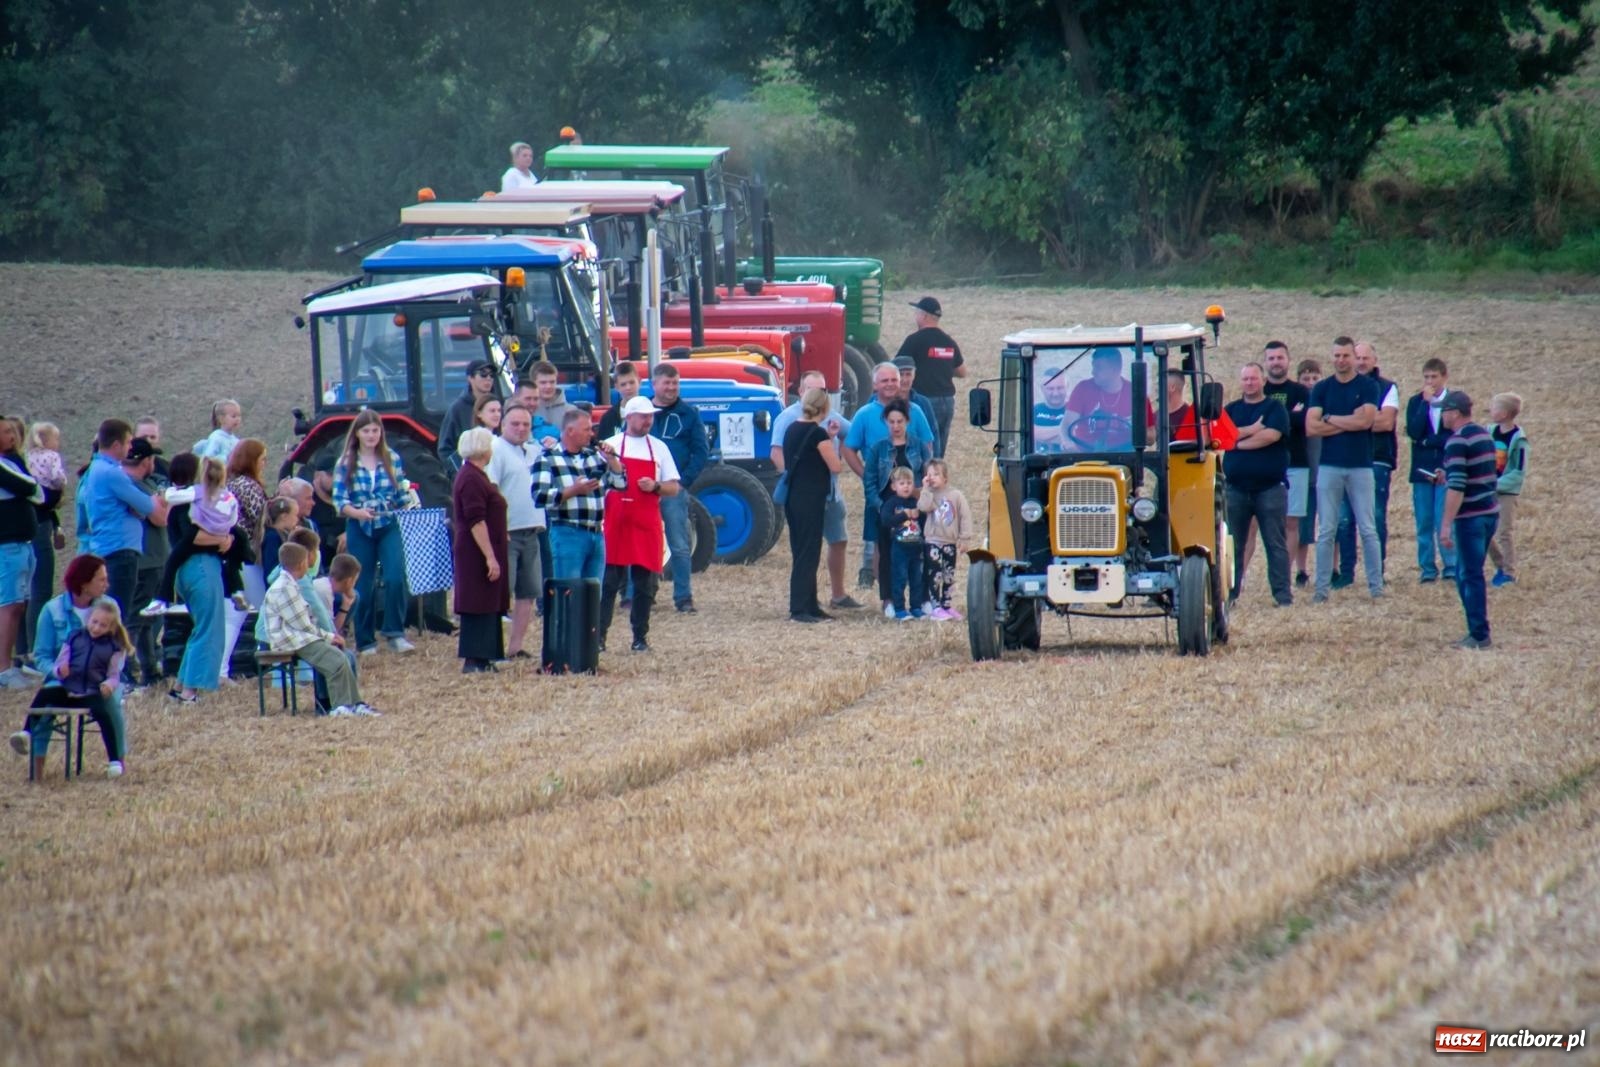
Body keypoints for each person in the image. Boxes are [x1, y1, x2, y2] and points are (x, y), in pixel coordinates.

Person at [12, 597, 132, 779]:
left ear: (111, 628)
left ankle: (114, 760)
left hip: (91, 692)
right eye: (94, 622)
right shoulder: (74, 637)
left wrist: (108, 685)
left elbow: (114, 674)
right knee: (44, 695)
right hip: (68, 688)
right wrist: (60, 669)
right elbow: (62, 659)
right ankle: (26, 732)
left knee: (104, 715)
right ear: (88, 620)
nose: (96, 628)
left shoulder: (113, 647)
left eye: (103, 625)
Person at [770, 370, 860, 611]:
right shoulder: (790, 420)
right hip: (810, 494)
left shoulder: (818, 422)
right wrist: (796, 476)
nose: (818, 394)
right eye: (813, 390)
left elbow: (853, 434)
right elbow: (777, 454)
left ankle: (828, 598)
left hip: (822, 493)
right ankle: (803, 605)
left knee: (826, 543)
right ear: (801, 391)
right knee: (807, 551)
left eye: (822, 390)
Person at [332, 411, 419, 655]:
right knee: (363, 582)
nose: (371, 435)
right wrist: (358, 513)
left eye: (375, 430)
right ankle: (365, 639)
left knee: (395, 576)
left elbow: (400, 494)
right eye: (366, 431)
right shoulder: (345, 463)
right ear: (357, 434)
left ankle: (395, 632)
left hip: (388, 522)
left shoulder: (392, 458)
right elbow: (339, 501)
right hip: (359, 525)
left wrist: (407, 503)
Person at [841, 363, 935, 589]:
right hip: (881, 492)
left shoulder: (915, 411)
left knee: (916, 539)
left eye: (894, 380)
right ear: (875, 385)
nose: (891, 384)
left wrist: (924, 485)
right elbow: (848, 448)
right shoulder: (864, 414)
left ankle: (914, 590)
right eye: (885, 381)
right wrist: (867, 476)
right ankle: (887, 593)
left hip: (912, 492)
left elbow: (928, 447)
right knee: (879, 542)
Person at [600, 397, 681, 653]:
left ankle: (640, 638)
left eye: (650, 416)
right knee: (609, 583)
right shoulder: (610, 445)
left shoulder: (659, 448)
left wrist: (655, 486)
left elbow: (674, 487)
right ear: (629, 417)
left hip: (646, 523)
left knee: (645, 585)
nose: (648, 421)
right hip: (616, 522)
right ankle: (599, 637)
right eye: (643, 416)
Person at [1307, 337, 1383, 602]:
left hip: (1361, 466)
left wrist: (1330, 418)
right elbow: (1311, 427)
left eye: (1346, 355)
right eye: (1337, 355)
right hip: (1329, 466)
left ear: (1353, 357)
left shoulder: (1368, 386)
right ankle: (1321, 590)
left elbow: (1366, 421)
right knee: (1326, 530)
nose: (1341, 360)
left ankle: (1376, 587)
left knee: (1368, 529)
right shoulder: (1322, 388)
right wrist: (1349, 421)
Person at [263, 542, 378, 715]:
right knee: (337, 660)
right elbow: (304, 626)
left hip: (299, 637)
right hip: (291, 640)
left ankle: (355, 703)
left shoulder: (291, 585)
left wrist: (328, 637)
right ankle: (340, 706)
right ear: (301, 564)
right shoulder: (284, 588)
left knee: (345, 656)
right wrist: (329, 637)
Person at [80, 419, 169, 623]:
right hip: (120, 551)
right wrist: (158, 498)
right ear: (116, 445)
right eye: (128, 442)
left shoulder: (96, 468)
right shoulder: (112, 473)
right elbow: (147, 506)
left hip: (108, 547)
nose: (130, 447)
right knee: (119, 616)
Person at [142, 455, 253, 616]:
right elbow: (234, 518)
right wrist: (225, 533)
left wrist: (166, 492)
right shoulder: (227, 496)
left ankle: (162, 599)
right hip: (222, 533)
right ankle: (237, 589)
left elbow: (191, 532)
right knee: (231, 553)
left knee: (172, 561)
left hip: (198, 543)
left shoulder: (196, 493)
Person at [161, 453, 230, 705]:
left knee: (200, 627)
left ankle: (181, 685)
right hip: (201, 567)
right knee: (209, 629)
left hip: (190, 570)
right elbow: (194, 537)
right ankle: (190, 691)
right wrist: (224, 539)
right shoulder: (190, 507)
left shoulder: (181, 504)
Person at [1242, 343, 1311, 587]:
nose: (1276, 362)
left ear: (1288, 360)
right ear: (1265, 363)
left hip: (1296, 463)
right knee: (1250, 525)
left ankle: (1285, 577)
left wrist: (1272, 421)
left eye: (1280, 357)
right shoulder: (1256, 390)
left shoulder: (1300, 391)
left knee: (1291, 523)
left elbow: (1303, 422)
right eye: (1271, 358)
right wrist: (1286, 416)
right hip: (1260, 465)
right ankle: (1240, 578)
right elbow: (1248, 423)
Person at [1224, 363, 1293, 607]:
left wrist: (1236, 441)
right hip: (1235, 489)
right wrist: (1252, 429)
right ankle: (1229, 596)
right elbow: (1220, 437)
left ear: (1263, 380)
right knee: (1232, 546)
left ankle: (1282, 596)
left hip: (1270, 488)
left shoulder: (1275, 408)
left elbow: (1271, 436)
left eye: (1254, 378)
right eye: (1245, 379)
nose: (1250, 383)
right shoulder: (1231, 409)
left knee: (1275, 543)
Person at [1334, 341, 1399, 585]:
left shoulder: (1388, 387)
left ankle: (1376, 573)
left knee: (1375, 518)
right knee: (1344, 520)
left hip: (1376, 460)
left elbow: (1386, 423)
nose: (1361, 362)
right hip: (1345, 460)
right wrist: (1364, 419)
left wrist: (1350, 421)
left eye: (1365, 358)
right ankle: (1346, 574)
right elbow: (1327, 420)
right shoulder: (1338, 386)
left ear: (1374, 360)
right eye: (1357, 357)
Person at [532, 409, 625, 582]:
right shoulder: (547, 458)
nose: (592, 434)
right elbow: (539, 497)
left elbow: (621, 485)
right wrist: (573, 491)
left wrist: (612, 460)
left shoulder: (594, 457)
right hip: (567, 533)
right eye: (587, 429)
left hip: (596, 533)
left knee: (593, 590)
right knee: (569, 590)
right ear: (570, 431)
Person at [1437, 393, 1499, 649]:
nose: (1441, 415)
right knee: (1470, 573)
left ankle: (1479, 634)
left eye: (1444, 411)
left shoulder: (1457, 441)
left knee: (1469, 575)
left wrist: (1445, 525)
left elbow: (1458, 487)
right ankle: (1476, 631)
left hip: (1470, 516)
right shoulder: (1484, 435)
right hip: (1489, 512)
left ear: (1455, 412)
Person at [648, 363, 709, 614]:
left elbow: (701, 451)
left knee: (680, 544)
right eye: (667, 383)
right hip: (644, 489)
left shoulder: (689, 414)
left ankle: (683, 597)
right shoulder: (643, 412)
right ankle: (639, 594)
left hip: (673, 489)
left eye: (675, 383)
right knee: (643, 542)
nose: (672, 388)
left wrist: (683, 481)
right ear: (654, 384)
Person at [864, 399, 934, 613]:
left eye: (900, 421)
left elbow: (930, 476)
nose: (896, 426)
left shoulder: (919, 447)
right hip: (889, 508)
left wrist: (922, 497)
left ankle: (923, 598)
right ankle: (889, 599)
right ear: (886, 422)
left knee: (921, 553)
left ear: (907, 421)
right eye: (892, 421)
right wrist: (880, 507)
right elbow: (870, 481)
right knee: (887, 555)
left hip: (916, 507)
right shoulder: (878, 449)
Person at [449, 428, 509, 673]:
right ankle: (474, 658)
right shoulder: (471, 478)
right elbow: (476, 521)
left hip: (485, 548)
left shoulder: (476, 475)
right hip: (475, 552)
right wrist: (490, 557)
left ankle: (486, 656)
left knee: (487, 600)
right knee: (477, 600)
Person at [782, 387, 843, 623]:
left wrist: (828, 437)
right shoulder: (817, 434)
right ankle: (799, 608)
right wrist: (831, 440)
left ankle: (810, 604)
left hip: (794, 497)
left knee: (802, 550)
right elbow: (835, 466)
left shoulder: (791, 429)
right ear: (825, 407)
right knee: (808, 553)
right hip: (810, 500)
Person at [488, 404, 545, 658]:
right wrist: (498, 528)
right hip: (507, 533)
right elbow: (491, 491)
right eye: (515, 424)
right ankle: (492, 646)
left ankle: (516, 646)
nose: (521, 429)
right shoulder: (495, 450)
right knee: (500, 593)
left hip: (532, 530)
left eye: (526, 425)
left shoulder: (534, 451)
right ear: (502, 425)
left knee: (528, 592)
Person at [0, 417, 44, 689]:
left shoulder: (11, 462)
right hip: (8, 547)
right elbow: (31, 487)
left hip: (22, 545)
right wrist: (32, 487)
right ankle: (3, 669)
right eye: (5, 432)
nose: (12, 436)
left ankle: (9, 663)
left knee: (18, 605)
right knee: (8, 605)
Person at [127, 436, 174, 687]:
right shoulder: (134, 486)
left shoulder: (143, 484)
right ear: (146, 461)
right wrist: (162, 503)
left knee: (145, 620)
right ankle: (125, 669)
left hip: (152, 559)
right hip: (147, 561)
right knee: (135, 619)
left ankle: (148, 670)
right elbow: (161, 518)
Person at [1405, 357, 1456, 583]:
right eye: (1426, 377)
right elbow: (1414, 432)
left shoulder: (1453, 401)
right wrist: (1425, 405)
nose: (1430, 381)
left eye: (1434, 377)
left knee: (1443, 519)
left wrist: (1428, 441)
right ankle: (1427, 567)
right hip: (1422, 470)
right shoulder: (1416, 402)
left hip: (1445, 467)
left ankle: (1451, 565)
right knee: (1424, 521)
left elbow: (1452, 435)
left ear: (1444, 377)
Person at [894, 296, 965, 457]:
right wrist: (942, 365)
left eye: (917, 313)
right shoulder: (948, 341)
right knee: (939, 449)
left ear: (924, 316)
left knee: (923, 447)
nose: (915, 317)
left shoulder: (914, 340)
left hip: (925, 400)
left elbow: (897, 365)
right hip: (947, 401)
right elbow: (962, 371)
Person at [22, 421, 67, 663]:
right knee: (41, 590)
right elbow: (58, 480)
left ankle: (25, 648)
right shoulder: (51, 457)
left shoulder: (26, 459)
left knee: (26, 591)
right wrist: (62, 490)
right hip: (40, 525)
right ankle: (37, 648)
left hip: (32, 523)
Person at [917, 459, 973, 620]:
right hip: (933, 541)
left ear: (945, 478)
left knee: (949, 574)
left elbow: (965, 516)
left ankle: (947, 605)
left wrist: (965, 538)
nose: (932, 477)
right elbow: (923, 507)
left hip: (950, 542)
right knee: (934, 574)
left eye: (936, 474)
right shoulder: (928, 494)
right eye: (929, 474)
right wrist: (925, 489)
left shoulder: (956, 496)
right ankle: (935, 606)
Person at [1487, 393, 1527, 587]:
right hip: (1488, 489)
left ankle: (1509, 572)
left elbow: (1519, 472)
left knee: (1504, 532)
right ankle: (1500, 565)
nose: (1490, 410)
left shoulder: (1519, 440)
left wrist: (1496, 484)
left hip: (1506, 493)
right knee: (1485, 530)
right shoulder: (1489, 432)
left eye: (1494, 407)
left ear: (1504, 414)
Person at [880, 468, 926, 620]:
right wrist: (904, 515)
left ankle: (916, 607)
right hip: (899, 548)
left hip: (916, 547)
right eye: (902, 483)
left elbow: (924, 522)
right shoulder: (891, 504)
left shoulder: (916, 503)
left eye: (909, 483)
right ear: (894, 486)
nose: (906, 486)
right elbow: (886, 520)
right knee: (899, 578)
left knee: (916, 579)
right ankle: (899, 608)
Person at [1293, 359, 1324, 585]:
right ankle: (1301, 570)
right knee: (1302, 526)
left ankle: (1331, 568)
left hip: (1326, 470)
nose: (1311, 383)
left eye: (1315, 378)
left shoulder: (1326, 401)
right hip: (1305, 473)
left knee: (1330, 524)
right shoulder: (1298, 402)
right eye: (1306, 379)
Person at [438, 360, 498, 474]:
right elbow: (444, 449)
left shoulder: (498, 405)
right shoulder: (457, 409)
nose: (488, 378)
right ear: (470, 378)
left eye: (491, 375)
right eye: (483, 374)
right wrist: (460, 472)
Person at [1167, 370, 1239, 449]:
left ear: (1172, 387)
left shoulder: (1194, 415)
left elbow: (1203, 443)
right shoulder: (1158, 416)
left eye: (1160, 383)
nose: (1158, 387)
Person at [306, 455, 346, 570]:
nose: (336, 479)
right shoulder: (308, 501)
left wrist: (349, 533)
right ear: (317, 475)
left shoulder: (345, 498)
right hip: (320, 566)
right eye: (331, 475)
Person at [892, 355, 939, 445]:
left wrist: (934, 454)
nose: (904, 380)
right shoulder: (880, 401)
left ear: (914, 376)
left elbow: (933, 433)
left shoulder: (923, 403)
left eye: (908, 374)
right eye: (900, 374)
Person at [528, 361, 577, 445]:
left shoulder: (571, 411)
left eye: (552, 382)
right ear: (533, 383)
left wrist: (559, 443)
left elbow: (576, 440)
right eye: (543, 383)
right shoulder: (525, 410)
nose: (548, 386)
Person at [595, 361, 640, 440]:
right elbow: (602, 445)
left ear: (639, 382)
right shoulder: (608, 418)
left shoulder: (652, 413)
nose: (628, 387)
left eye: (632, 382)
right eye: (623, 384)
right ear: (616, 387)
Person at [1032, 368, 1070, 453]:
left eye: (1060, 388)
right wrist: (1066, 430)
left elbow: (1080, 436)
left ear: (1067, 387)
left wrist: (1043, 435)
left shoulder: (1077, 410)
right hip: (1039, 460)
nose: (1055, 393)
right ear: (1042, 389)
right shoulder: (1033, 411)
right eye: (1050, 389)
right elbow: (1032, 433)